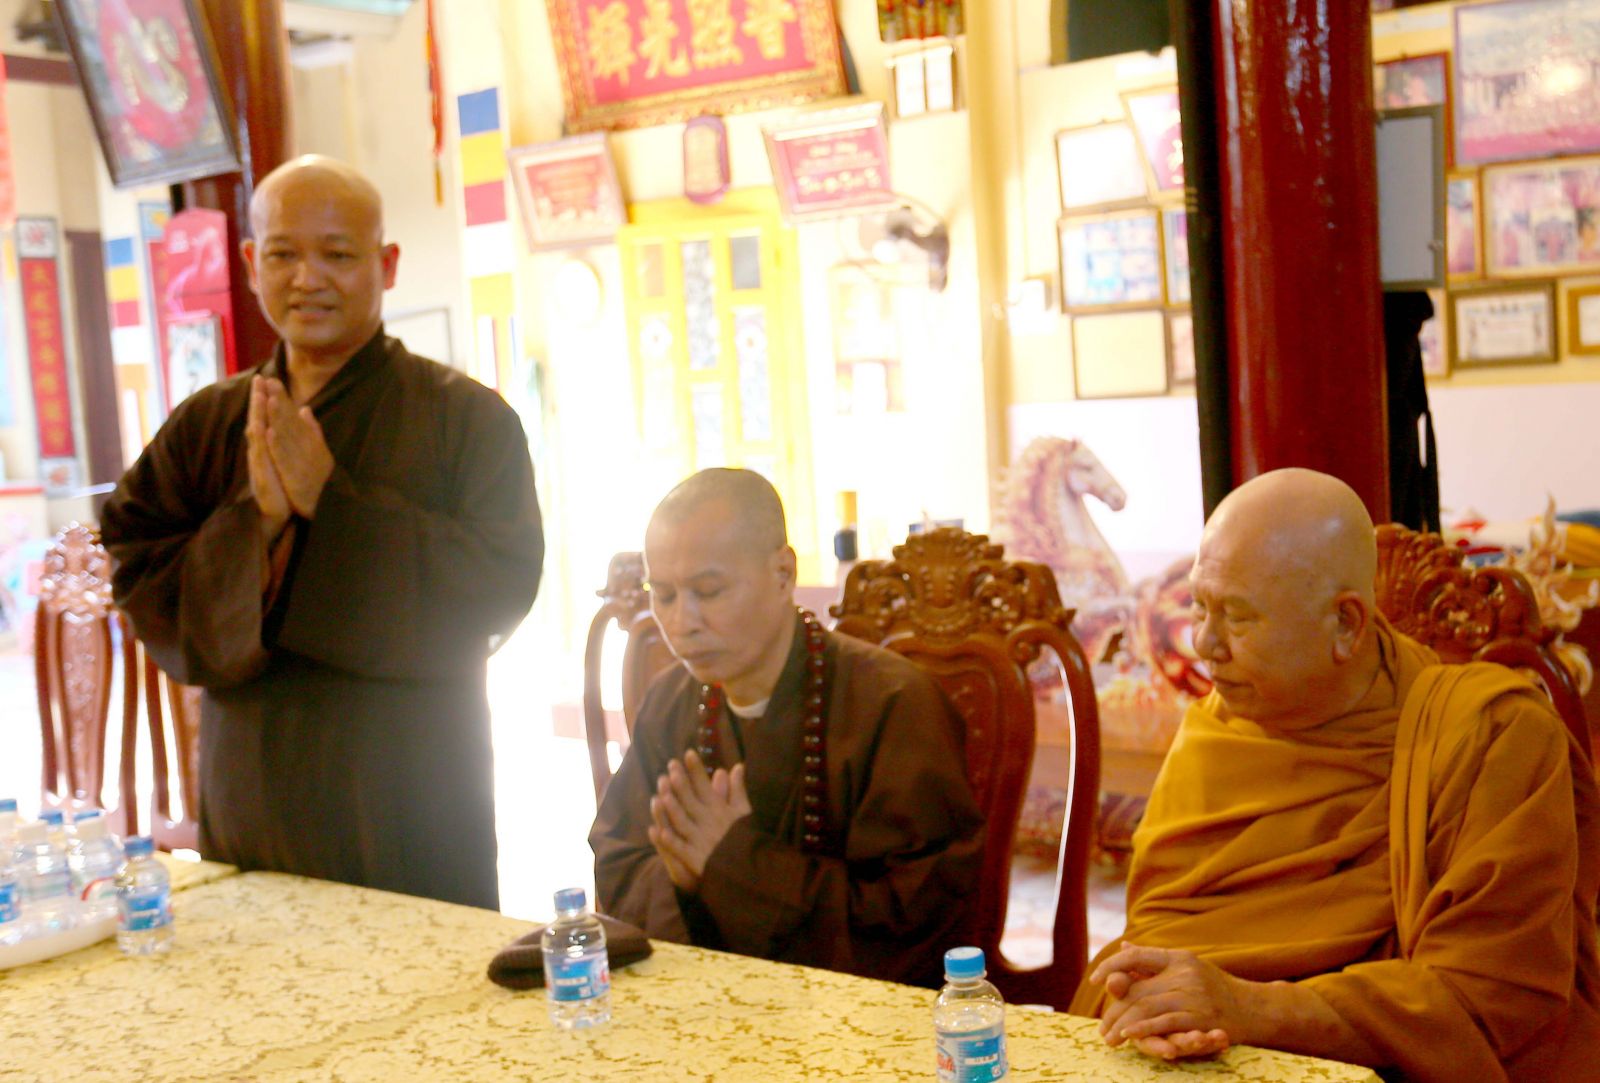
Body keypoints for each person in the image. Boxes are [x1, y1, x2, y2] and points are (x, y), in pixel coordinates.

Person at [100, 156, 543, 910]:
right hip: (254, 786)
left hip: (411, 789)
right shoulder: (209, 422)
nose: (308, 278)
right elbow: (136, 556)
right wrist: (259, 521)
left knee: (424, 978)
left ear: (386, 265)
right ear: (251, 264)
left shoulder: (466, 419)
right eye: (283, 255)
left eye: (337, 254)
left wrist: (330, 504)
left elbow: (501, 583)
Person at [1072, 468, 1600, 1081]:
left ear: (1346, 623)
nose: (1206, 645)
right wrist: (1155, 998)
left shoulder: (1492, 735)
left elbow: (1491, 994)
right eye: (1200, 607)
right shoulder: (1217, 731)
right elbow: (1160, 932)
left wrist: (1253, 1008)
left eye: (1237, 617)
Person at [589, 468, 984, 987]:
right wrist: (683, 883)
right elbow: (619, 860)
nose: (683, 622)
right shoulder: (670, 702)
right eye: (663, 595)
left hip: (858, 1017)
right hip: (705, 1002)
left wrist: (732, 866)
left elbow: (917, 920)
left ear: (782, 573)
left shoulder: (895, 704)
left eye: (708, 591)